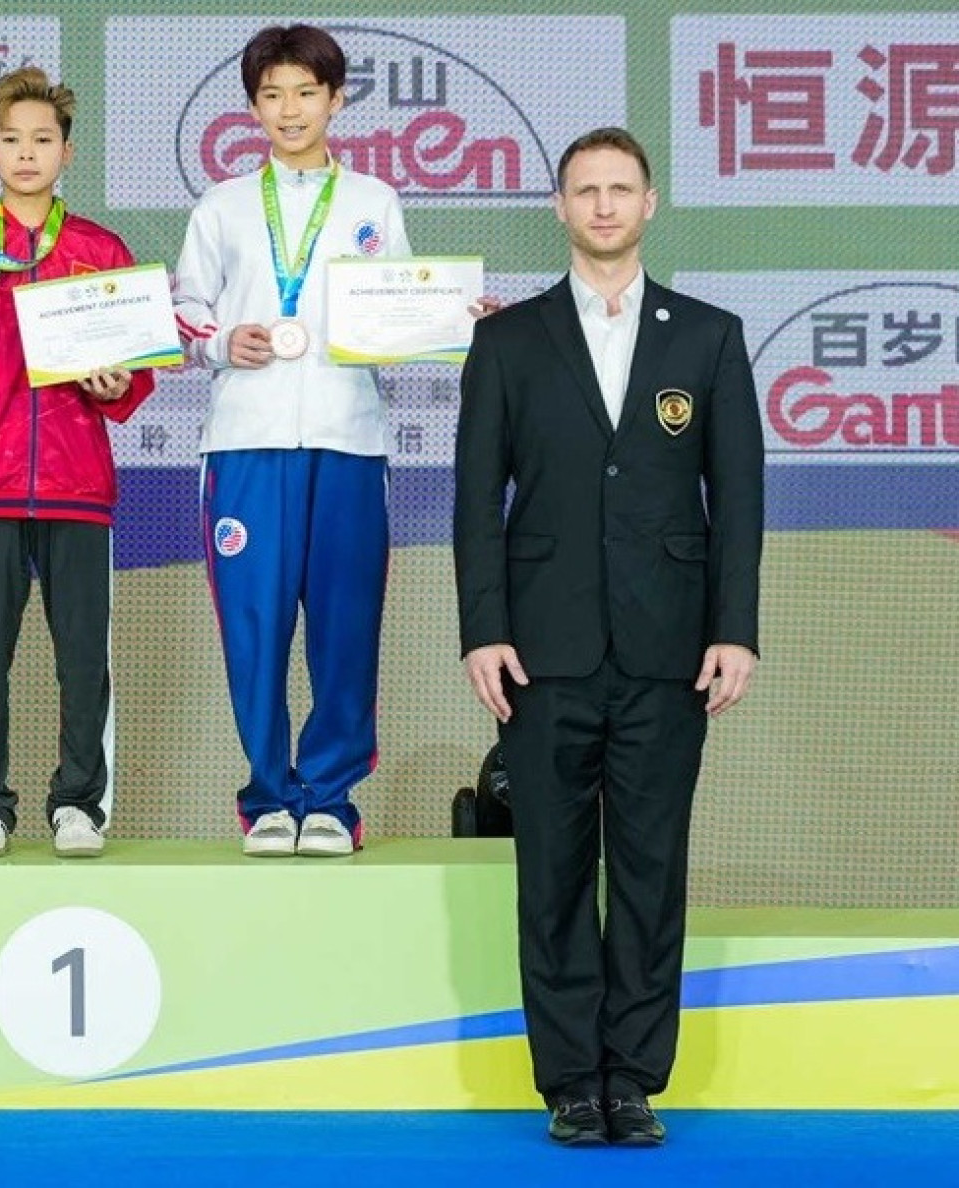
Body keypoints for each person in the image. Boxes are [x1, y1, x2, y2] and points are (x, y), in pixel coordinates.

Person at [453, 127, 764, 1147]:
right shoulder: (508, 340)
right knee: (549, 871)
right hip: (540, 652)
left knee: (648, 869)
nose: (601, 205)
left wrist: (734, 631)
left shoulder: (709, 336)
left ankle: (632, 1077)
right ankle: (567, 1082)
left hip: (670, 650)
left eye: (619, 189)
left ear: (649, 202)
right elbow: (475, 501)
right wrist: (484, 630)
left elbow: (739, 500)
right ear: (559, 206)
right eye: (584, 190)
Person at [171, 25, 410, 858]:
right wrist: (217, 341)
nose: (290, 109)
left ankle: (331, 799)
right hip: (247, 440)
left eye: (306, 92)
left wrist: (441, 322)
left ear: (336, 100)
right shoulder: (223, 206)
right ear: (253, 107)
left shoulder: (375, 202)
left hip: (348, 440)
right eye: (272, 95)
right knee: (254, 624)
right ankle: (270, 796)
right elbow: (184, 307)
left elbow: (400, 304)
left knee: (346, 624)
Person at [0, 67, 155, 859]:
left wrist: (118, 382)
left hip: (78, 485)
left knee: (83, 660)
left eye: (42, 139)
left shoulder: (99, 251)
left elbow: (133, 374)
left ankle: (79, 805)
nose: (26, 153)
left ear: (66, 152)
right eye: (10, 139)